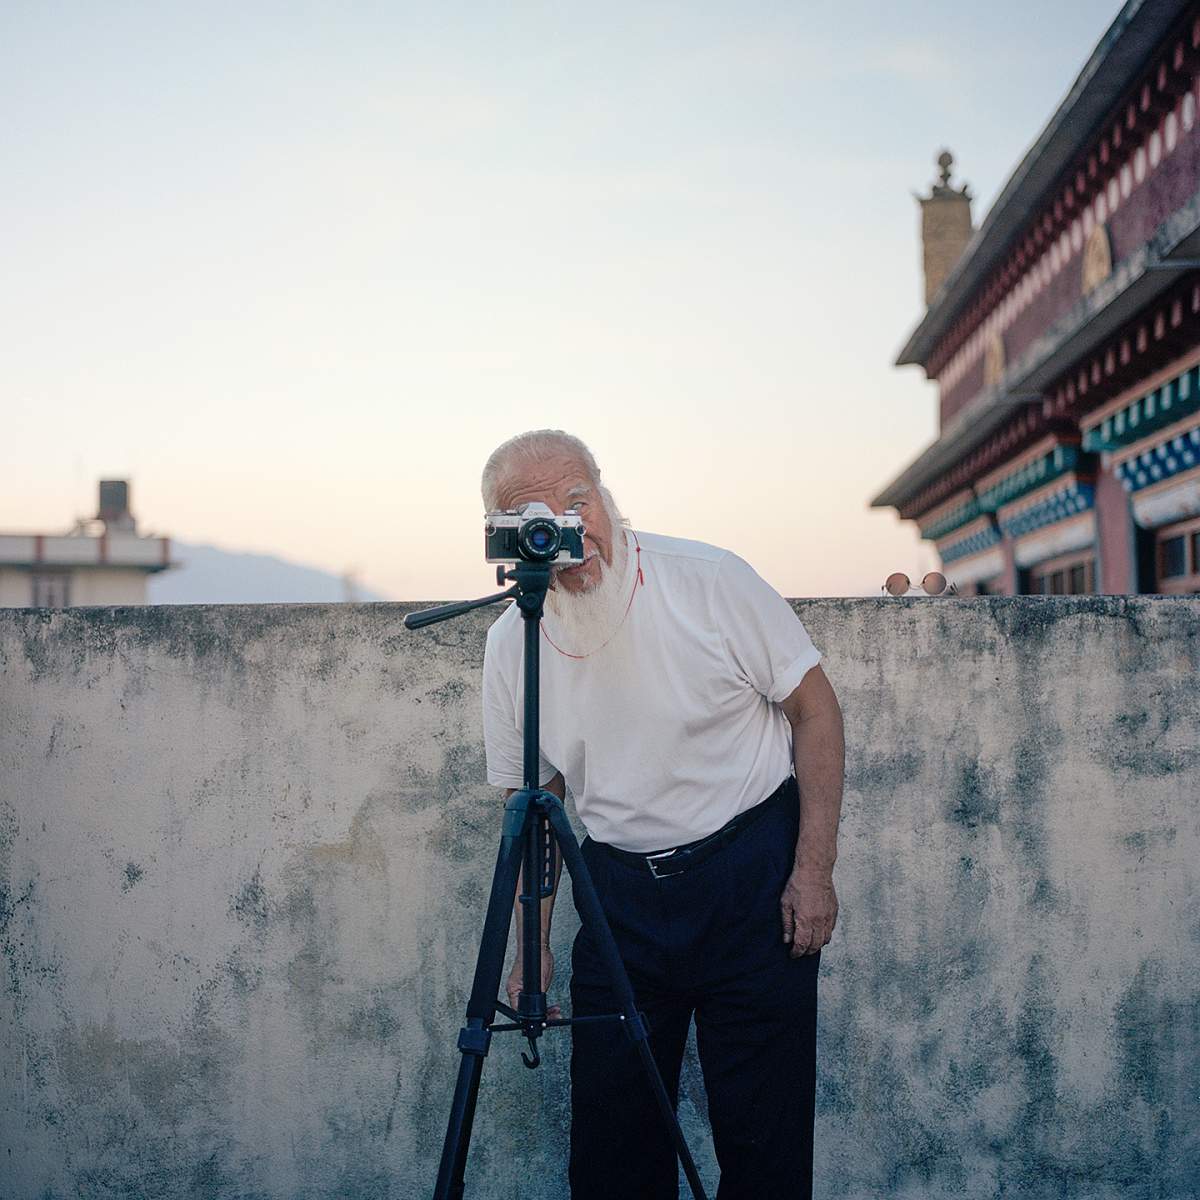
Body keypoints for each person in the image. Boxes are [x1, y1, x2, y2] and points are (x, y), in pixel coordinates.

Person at [480, 429, 844, 1200]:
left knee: (764, 1134)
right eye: (539, 515)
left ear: (606, 497)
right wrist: (532, 946)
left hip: (751, 879)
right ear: (510, 537)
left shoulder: (706, 579)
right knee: (616, 1148)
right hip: (619, 899)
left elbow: (816, 711)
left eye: (578, 501)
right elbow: (536, 803)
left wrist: (813, 873)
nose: (571, 529)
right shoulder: (514, 641)